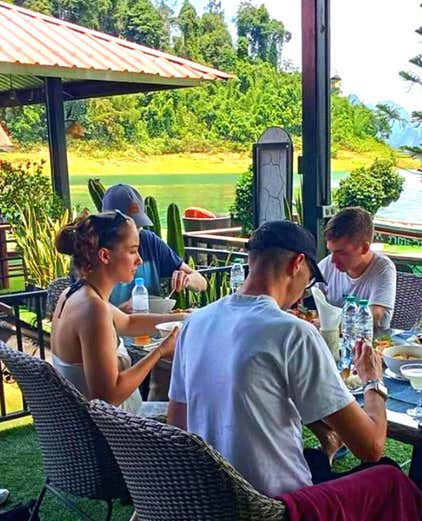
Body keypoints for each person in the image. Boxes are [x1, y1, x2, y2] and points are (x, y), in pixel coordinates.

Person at [167, 220, 392, 497]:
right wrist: (373, 382)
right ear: (297, 263)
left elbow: (177, 426)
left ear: (251, 259)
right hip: (278, 505)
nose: (302, 294)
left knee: (317, 459)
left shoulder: (195, 322)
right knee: (389, 477)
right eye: (308, 280)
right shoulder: (294, 333)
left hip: (209, 497)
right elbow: (370, 447)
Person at [51, 211, 185, 413]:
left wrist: (184, 317)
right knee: (196, 414)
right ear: (105, 255)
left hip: (109, 425)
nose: (139, 260)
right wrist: (161, 351)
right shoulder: (92, 310)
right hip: (118, 434)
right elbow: (108, 396)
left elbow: (128, 322)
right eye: (132, 251)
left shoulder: (75, 294)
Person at [101, 184, 207, 309]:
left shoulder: (149, 241)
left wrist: (187, 279)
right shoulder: (92, 255)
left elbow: (202, 282)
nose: (136, 232)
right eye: (130, 226)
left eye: (139, 226)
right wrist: (120, 313)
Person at [317, 206, 396, 330]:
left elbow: (376, 315)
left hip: (369, 345)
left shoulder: (383, 268)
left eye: (342, 253)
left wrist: (328, 324)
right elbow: (304, 289)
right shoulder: (328, 264)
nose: (333, 260)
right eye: (331, 252)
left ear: (364, 248)